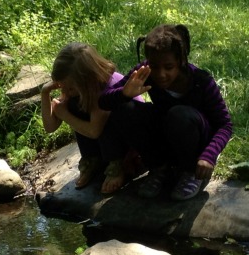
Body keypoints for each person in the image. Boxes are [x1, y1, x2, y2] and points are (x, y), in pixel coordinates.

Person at [100, 24, 233, 201]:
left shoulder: (201, 81)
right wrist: (124, 93)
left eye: (168, 67)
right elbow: (103, 101)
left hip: (194, 143)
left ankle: (189, 173)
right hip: (167, 137)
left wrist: (209, 155)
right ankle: (159, 168)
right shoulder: (145, 71)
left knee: (179, 115)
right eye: (154, 66)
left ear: (181, 61)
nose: (160, 74)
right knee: (124, 107)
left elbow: (225, 124)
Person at [40, 42, 143, 194]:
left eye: (70, 88)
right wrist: (45, 93)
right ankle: (93, 160)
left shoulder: (107, 87)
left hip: (132, 139)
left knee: (105, 119)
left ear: (87, 79)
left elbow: (94, 131)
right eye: (63, 87)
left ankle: (117, 165)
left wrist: (65, 114)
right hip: (105, 135)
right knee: (75, 105)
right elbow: (50, 128)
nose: (66, 92)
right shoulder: (79, 89)